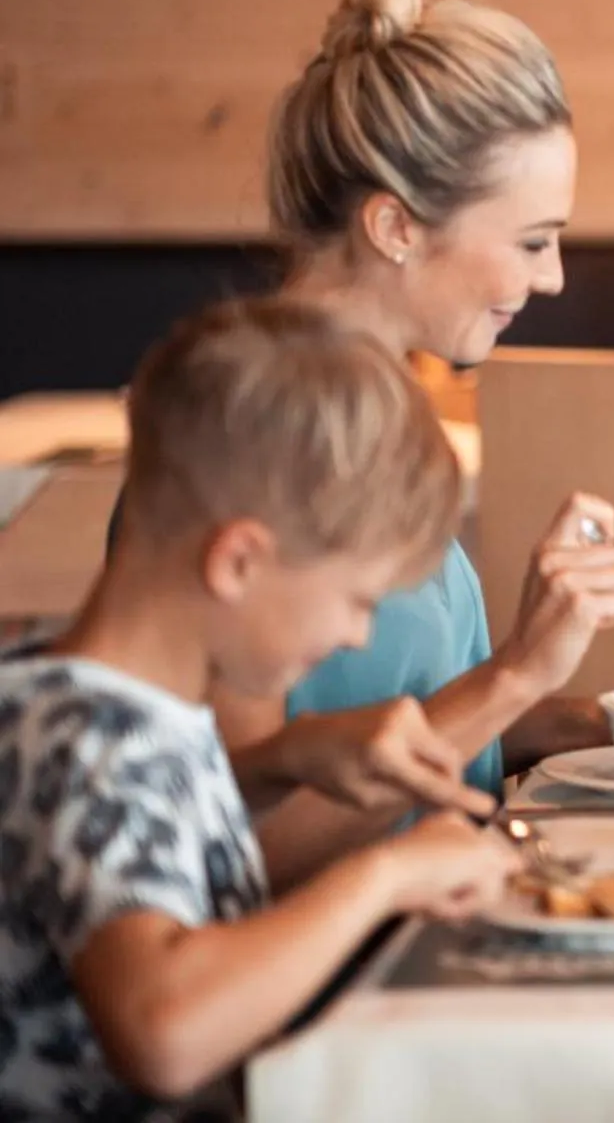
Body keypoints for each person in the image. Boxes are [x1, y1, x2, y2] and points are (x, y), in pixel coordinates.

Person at [1, 298, 523, 1119]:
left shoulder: (71, 703)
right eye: (357, 601)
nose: (357, 637)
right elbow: (164, 1034)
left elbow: (137, 847)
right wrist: (385, 875)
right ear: (239, 560)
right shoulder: (97, 741)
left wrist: (281, 763)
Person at [222, 0, 614, 885]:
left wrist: (605, 721)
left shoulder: (383, 412)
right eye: (533, 241)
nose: (556, 276)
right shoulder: (241, 439)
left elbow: (403, 722)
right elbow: (244, 851)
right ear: (395, 226)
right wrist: (517, 674)